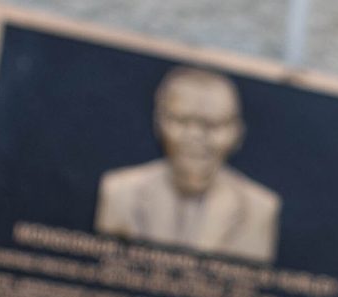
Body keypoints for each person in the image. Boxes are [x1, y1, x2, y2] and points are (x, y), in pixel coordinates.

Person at [95, 67, 279, 263]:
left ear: (237, 133)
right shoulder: (119, 192)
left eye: (212, 125)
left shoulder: (260, 208)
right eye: (181, 121)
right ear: (159, 122)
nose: (195, 137)